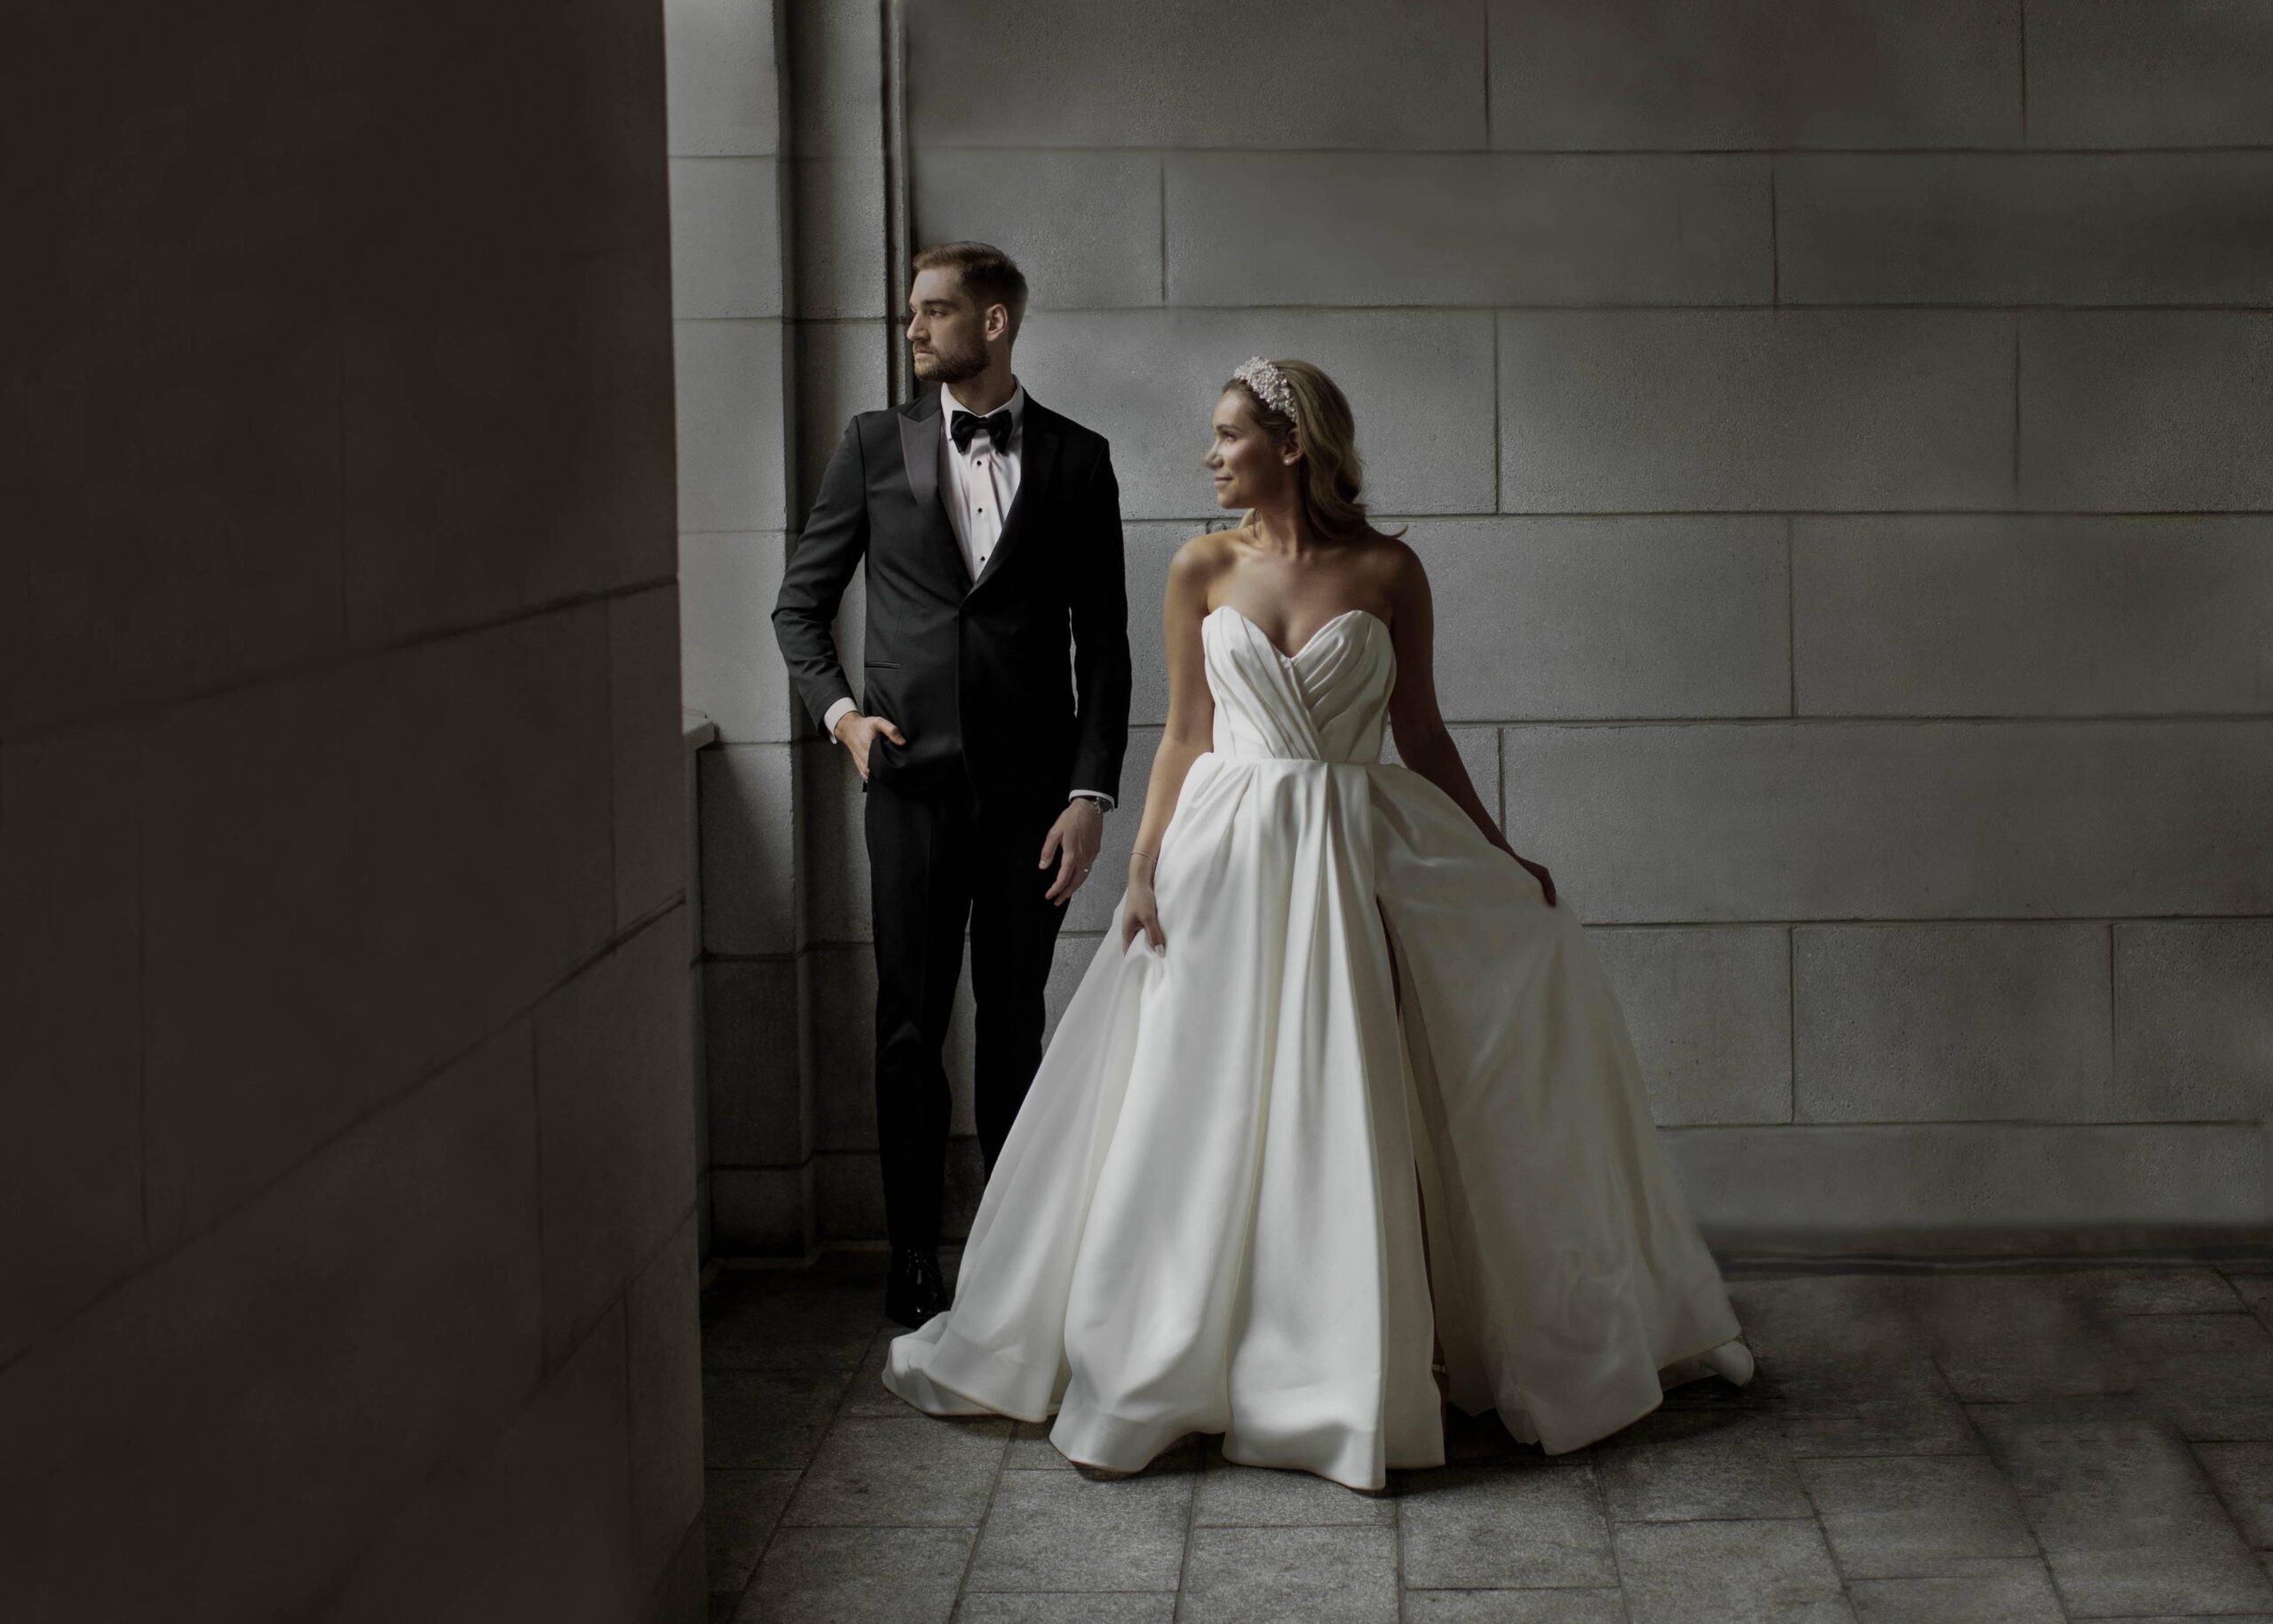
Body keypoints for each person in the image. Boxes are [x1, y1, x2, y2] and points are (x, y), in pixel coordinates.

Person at [880, 357, 1754, 1489]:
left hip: (1352, 848)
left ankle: (1364, 1353)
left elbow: (1425, 736)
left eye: (1228, 434)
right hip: (1230, 850)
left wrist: (1495, 849)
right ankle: (1187, 1349)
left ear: (1292, 445)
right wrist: (1142, 868)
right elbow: (1186, 736)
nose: (1209, 456)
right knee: (1202, 1102)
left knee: (1354, 1087)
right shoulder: (1200, 564)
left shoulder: (1390, 567)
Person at [772, 242, 1132, 1329]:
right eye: (911, 311)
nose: (913, 328)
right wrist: (841, 718)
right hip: (910, 789)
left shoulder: (1077, 458)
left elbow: (1105, 646)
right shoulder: (875, 445)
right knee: (907, 1027)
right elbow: (798, 607)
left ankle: (1011, 1259)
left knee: (1014, 1024)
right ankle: (913, 1258)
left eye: (934, 311)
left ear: (994, 324)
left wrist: (1090, 795)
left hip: (1033, 802)